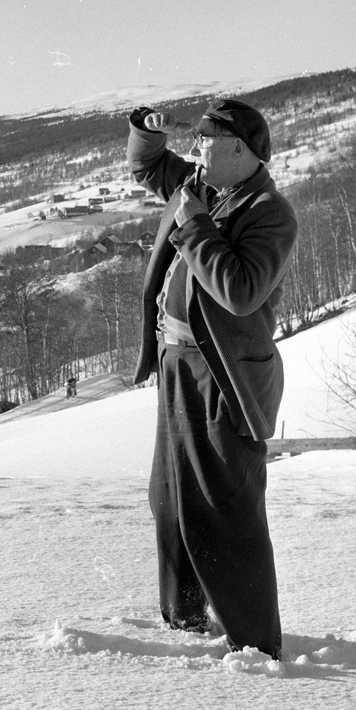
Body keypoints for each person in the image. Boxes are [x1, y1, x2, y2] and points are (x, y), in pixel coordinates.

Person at [126, 98, 297, 659]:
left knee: (225, 509)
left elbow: (241, 292)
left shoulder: (269, 212)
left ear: (239, 151)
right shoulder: (200, 185)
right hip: (177, 369)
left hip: (222, 379)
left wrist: (196, 226)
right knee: (171, 500)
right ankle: (187, 622)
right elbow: (149, 166)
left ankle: (254, 644)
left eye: (205, 141)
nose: (194, 151)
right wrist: (144, 132)